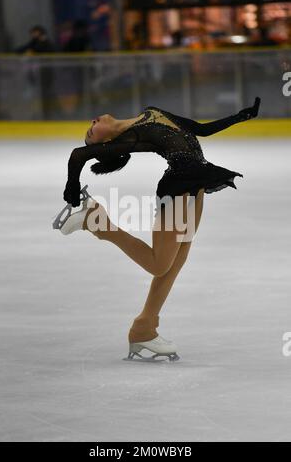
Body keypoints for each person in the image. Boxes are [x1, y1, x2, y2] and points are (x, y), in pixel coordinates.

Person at [61, 98, 261, 360]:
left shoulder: (151, 112)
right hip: (178, 186)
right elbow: (78, 155)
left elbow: (200, 129)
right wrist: (72, 187)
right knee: (159, 264)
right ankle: (96, 221)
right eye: (91, 132)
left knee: (179, 258)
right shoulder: (131, 138)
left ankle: (145, 327)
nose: (92, 122)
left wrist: (240, 117)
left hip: (197, 182)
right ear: (106, 142)